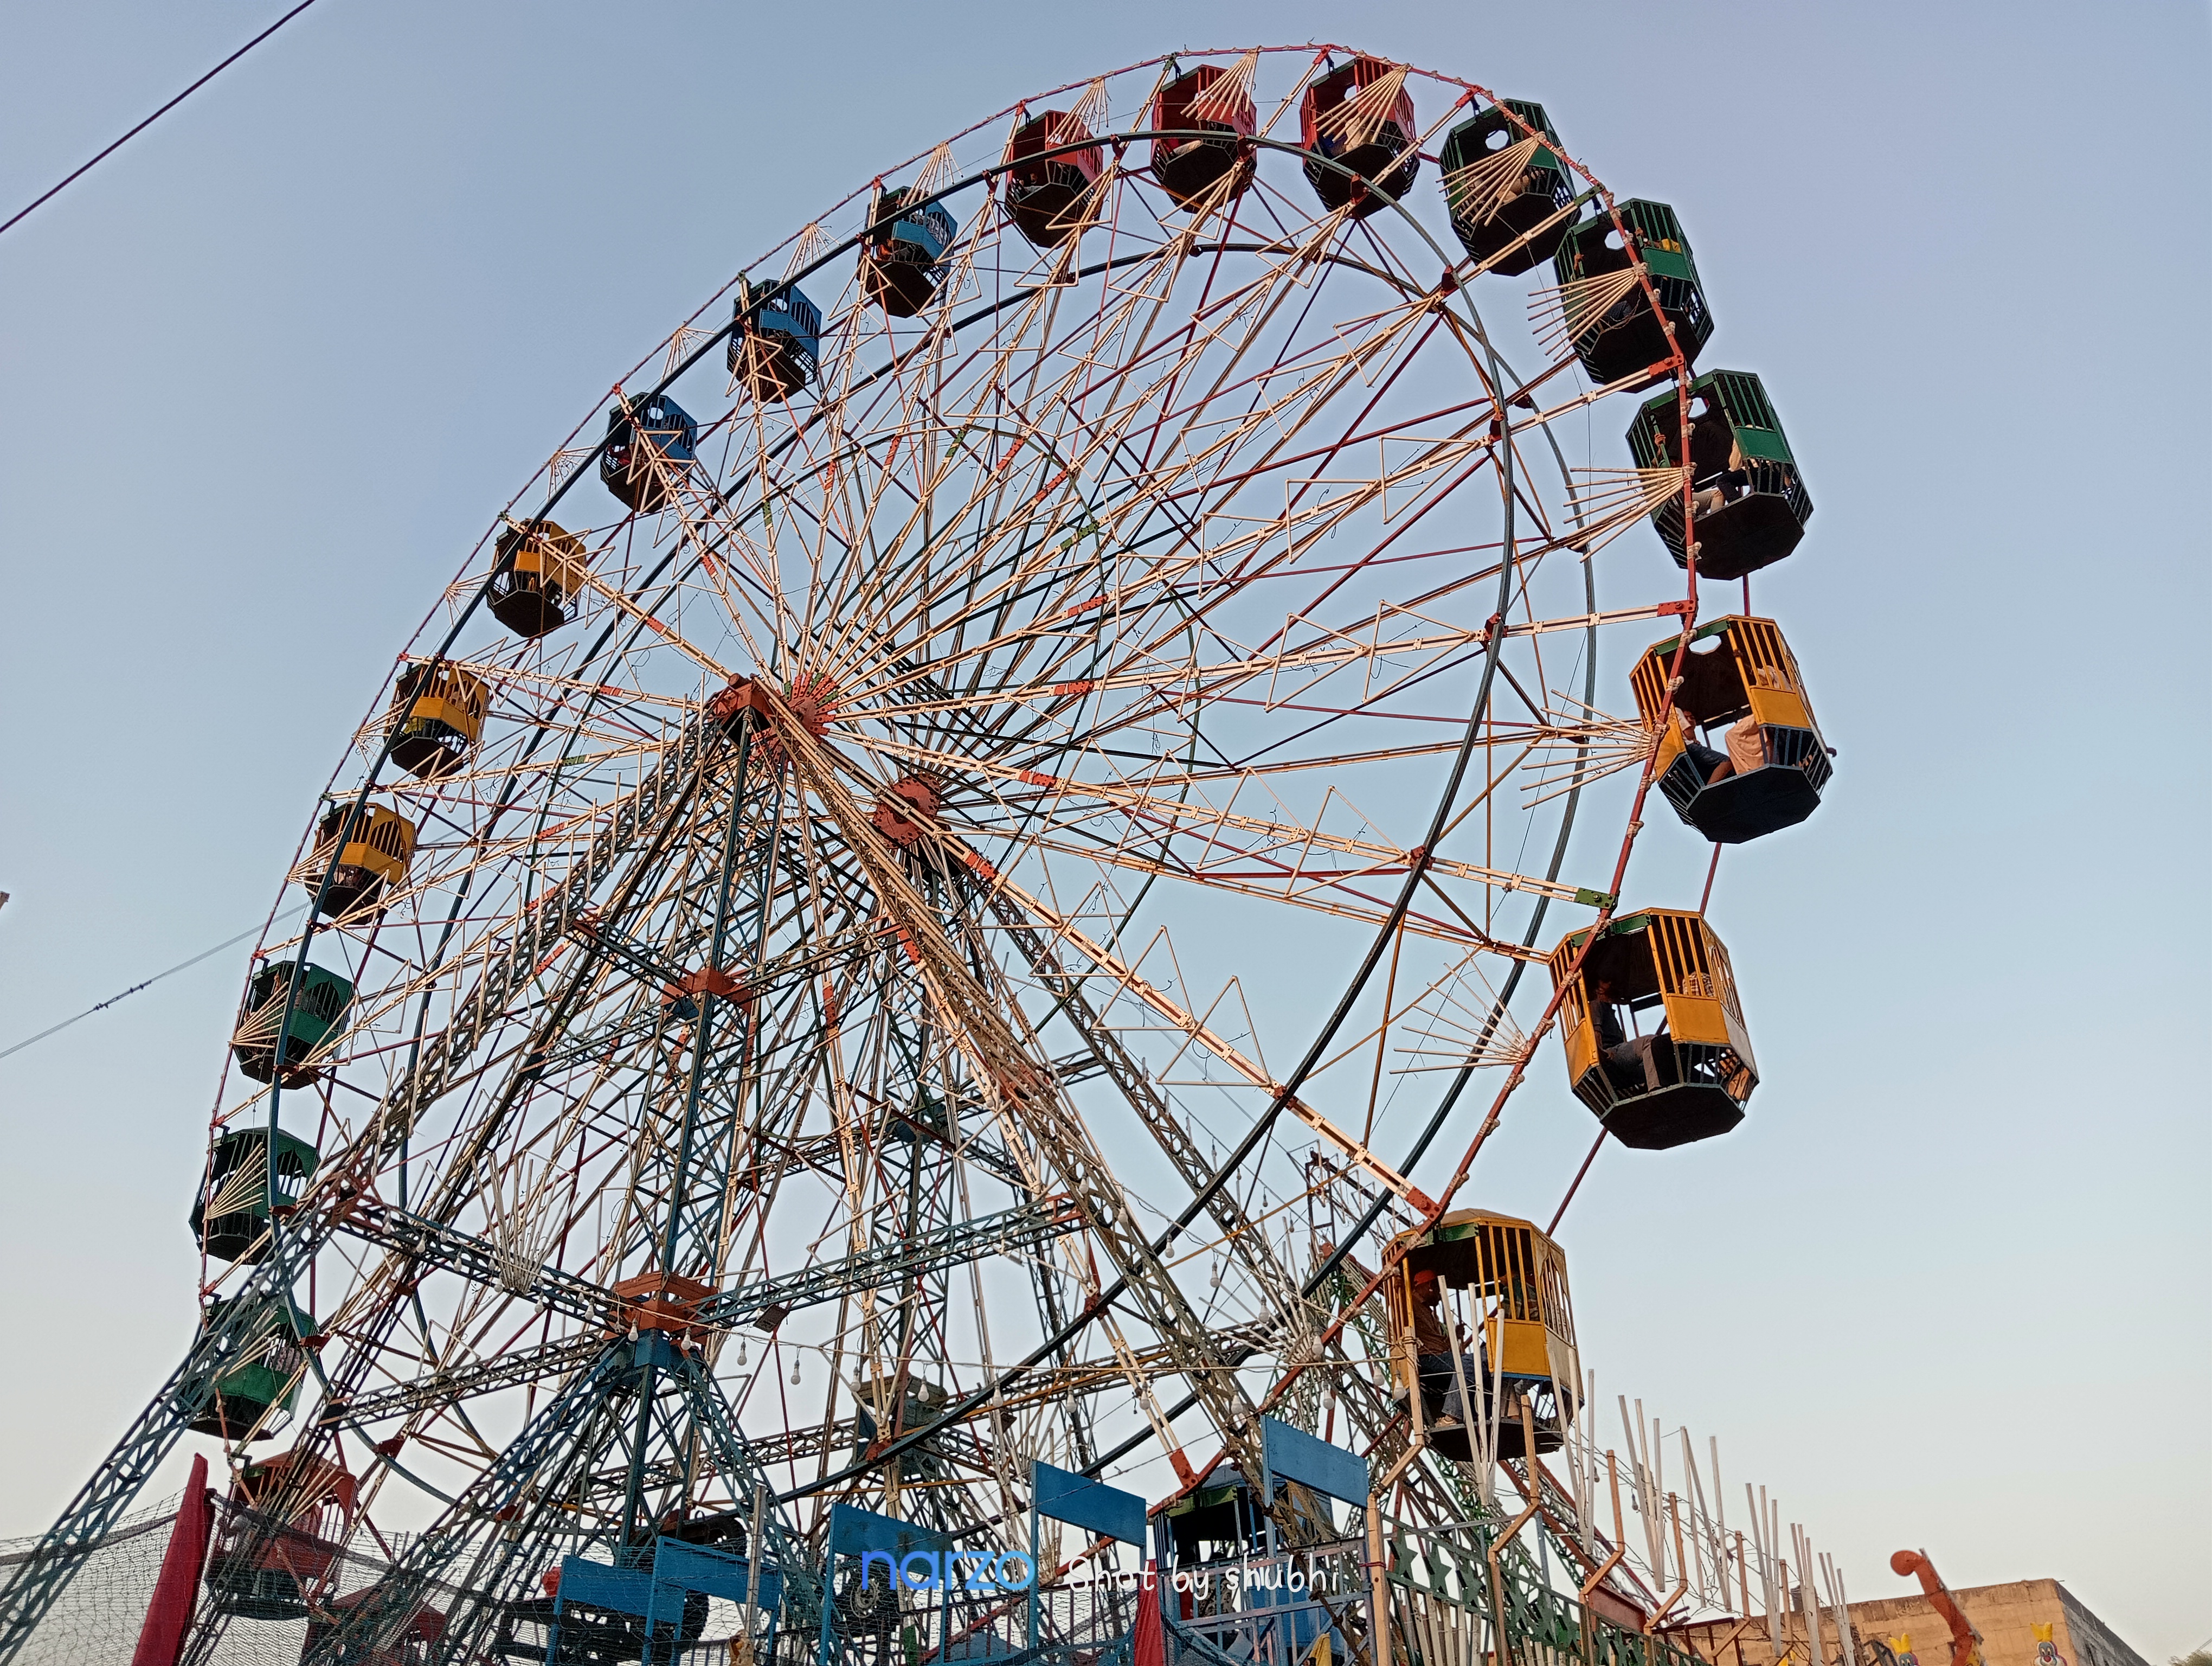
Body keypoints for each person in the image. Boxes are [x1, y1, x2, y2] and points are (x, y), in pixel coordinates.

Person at [1409, 1270, 1478, 1430]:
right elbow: (1397, 1306)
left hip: (1437, 1358)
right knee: (1470, 1364)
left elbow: (1439, 1344)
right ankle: (1451, 1415)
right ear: (1431, 1286)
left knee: (1473, 1368)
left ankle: (1469, 1415)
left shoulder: (1429, 1312)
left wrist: (1454, 1335)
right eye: (1439, 1291)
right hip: (1427, 1361)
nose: (1440, 1296)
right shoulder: (1410, 1304)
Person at [1588, 975, 1666, 1095]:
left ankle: (1649, 1088)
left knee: (1661, 1060)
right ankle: (1655, 1089)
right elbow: (1595, 1032)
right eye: (1606, 981)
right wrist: (1601, 1052)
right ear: (1599, 991)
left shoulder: (1609, 1010)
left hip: (1618, 1056)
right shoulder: (1596, 1005)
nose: (1611, 984)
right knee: (1650, 1042)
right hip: (1612, 1054)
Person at [1687, 401, 1749, 520]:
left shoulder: (1740, 435)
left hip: (1754, 471)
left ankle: (1738, 507)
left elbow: (1734, 465)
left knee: (1723, 481)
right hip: (1768, 471)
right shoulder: (1756, 430)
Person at [1670, 705, 1733, 786]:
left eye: (1692, 718)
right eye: (1685, 717)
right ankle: (1711, 787)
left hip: (1676, 755)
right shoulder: (1675, 710)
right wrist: (1691, 738)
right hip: (1687, 748)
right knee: (1726, 761)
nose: (1689, 720)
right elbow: (1688, 733)